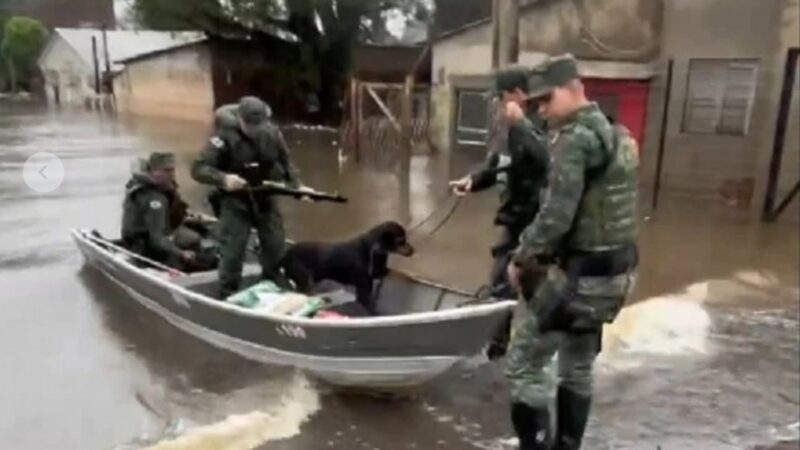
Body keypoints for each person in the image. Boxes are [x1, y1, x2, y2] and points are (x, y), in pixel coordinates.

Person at [504, 55, 639, 449]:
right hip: (616, 277)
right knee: (578, 366)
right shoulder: (621, 136)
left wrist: (520, 258)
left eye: (547, 101)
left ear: (573, 88)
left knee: (523, 366)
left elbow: (555, 217)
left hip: (577, 280)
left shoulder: (573, 141)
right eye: (536, 104)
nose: (542, 111)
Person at [449, 66, 550, 360]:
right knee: (501, 290)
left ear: (519, 94)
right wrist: (473, 180)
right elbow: (496, 165)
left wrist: (520, 126)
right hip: (513, 223)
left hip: (539, 226)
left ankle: (541, 355)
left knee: (529, 291)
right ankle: (499, 355)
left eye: (501, 97)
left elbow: (546, 161)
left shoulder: (541, 122)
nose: (497, 104)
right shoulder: (506, 129)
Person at [191, 96, 310, 299]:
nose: (255, 130)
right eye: (250, 125)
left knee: (275, 244)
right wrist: (223, 178)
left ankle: (271, 282)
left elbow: (286, 161)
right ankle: (227, 292)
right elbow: (198, 169)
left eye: (259, 125)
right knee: (233, 251)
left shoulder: (272, 134)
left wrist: (298, 187)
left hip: (264, 196)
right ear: (240, 119)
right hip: (235, 201)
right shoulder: (223, 136)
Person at [121, 152, 200, 270]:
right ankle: (180, 268)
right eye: (166, 171)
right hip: (143, 243)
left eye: (172, 170)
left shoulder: (163, 188)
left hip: (160, 231)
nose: (171, 175)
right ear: (153, 171)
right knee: (192, 241)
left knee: (194, 236)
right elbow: (157, 239)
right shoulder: (153, 198)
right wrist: (181, 253)